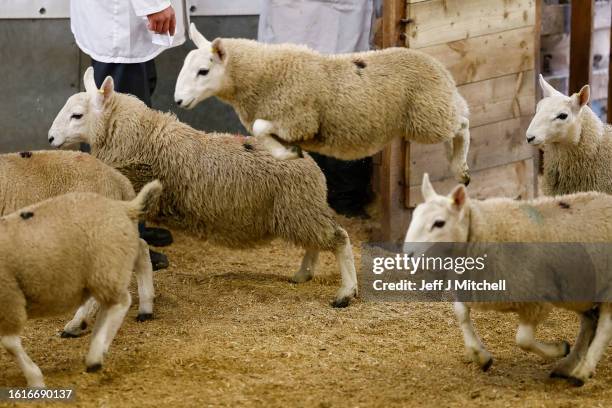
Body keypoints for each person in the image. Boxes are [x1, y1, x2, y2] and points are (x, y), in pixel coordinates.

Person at [70, 0, 189, 269]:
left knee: (134, 117)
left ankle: (134, 224)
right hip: (121, 20)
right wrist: (153, 4)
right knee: (118, 133)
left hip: (128, 22)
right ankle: (118, 236)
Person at [258, 0, 379, 217]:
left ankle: (344, 201)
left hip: (344, 30)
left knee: (344, 112)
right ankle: (301, 201)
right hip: (294, 32)